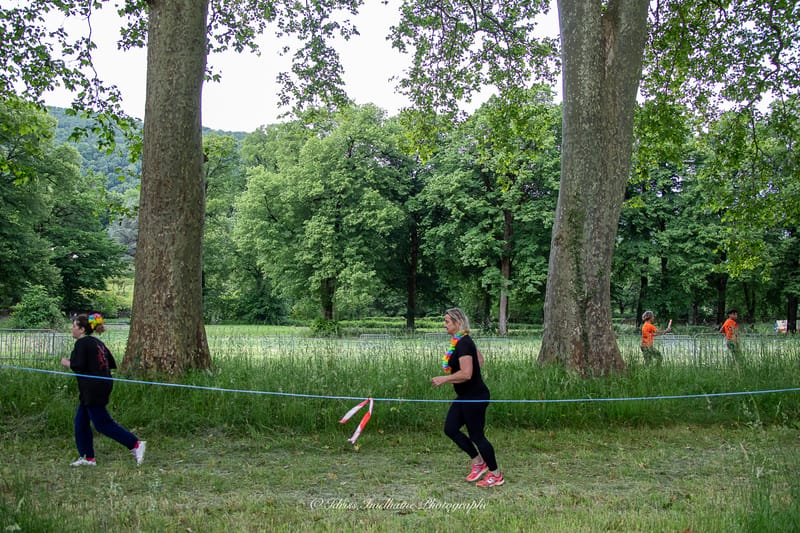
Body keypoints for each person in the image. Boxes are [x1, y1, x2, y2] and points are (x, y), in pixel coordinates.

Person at [60, 313, 146, 467]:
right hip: (100, 384)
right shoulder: (97, 342)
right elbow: (110, 362)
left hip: (93, 388)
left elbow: (78, 365)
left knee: (102, 423)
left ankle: (135, 444)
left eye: (74, 326)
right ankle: (87, 458)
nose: (72, 329)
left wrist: (67, 362)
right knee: (81, 422)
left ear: (82, 329)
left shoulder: (82, 343)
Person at [431, 308, 503, 487]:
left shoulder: (464, 344)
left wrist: (444, 379)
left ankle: (496, 475)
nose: (445, 325)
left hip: (475, 397)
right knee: (450, 429)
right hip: (464, 396)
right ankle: (478, 462)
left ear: (457, 323)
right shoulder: (461, 341)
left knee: (477, 436)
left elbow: (467, 374)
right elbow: (480, 361)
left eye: (447, 321)